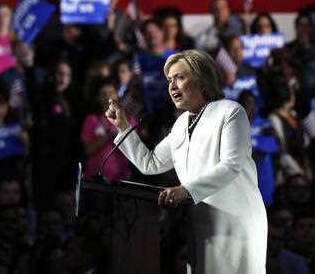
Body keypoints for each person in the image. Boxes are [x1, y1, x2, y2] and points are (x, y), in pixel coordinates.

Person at [105, 49, 268, 273]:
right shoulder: (181, 124)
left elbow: (232, 164)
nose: (172, 86)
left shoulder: (230, 111)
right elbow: (149, 163)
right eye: (170, 80)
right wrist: (123, 126)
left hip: (236, 223)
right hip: (202, 223)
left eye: (180, 77)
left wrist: (186, 190)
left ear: (202, 80)